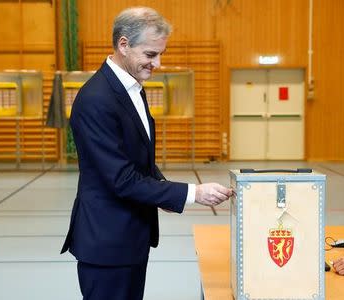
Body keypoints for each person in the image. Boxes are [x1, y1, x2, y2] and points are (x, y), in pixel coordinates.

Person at [60, 6, 233, 300]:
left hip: (130, 238)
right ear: (123, 45)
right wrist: (192, 193)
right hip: (107, 244)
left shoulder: (133, 89)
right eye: (151, 55)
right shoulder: (96, 99)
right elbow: (121, 178)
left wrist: (163, 189)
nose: (158, 63)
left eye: (160, 54)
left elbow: (139, 158)